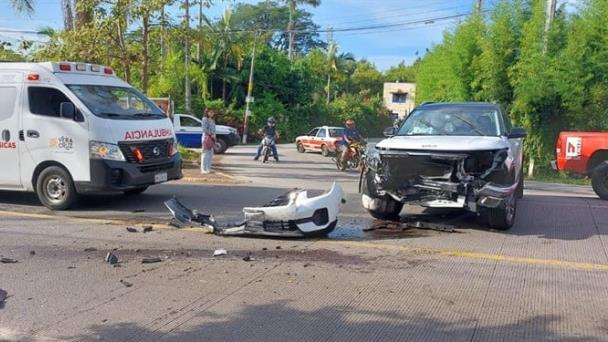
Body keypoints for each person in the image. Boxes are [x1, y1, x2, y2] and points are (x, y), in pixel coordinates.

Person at [201, 109, 217, 174]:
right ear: (207, 112)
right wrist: (211, 134)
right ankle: (203, 169)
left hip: (212, 138)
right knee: (205, 153)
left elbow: (214, 130)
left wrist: (214, 136)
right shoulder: (204, 119)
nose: (212, 113)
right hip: (206, 137)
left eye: (212, 112)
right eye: (210, 112)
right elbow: (204, 129)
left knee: (210, 154)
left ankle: (208, 168)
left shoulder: (212, 120)